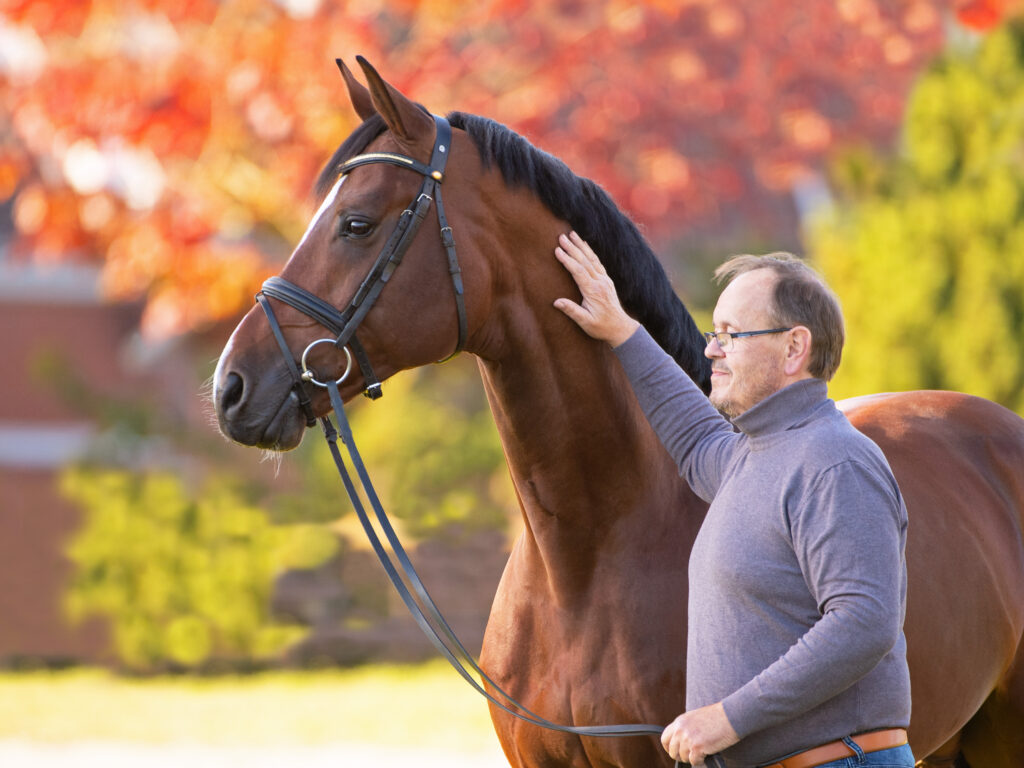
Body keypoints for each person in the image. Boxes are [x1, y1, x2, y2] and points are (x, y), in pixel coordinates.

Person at [552, 232, 914, 768]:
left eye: (731, 334)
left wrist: (727, 718)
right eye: (713, 332)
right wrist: (622, 330)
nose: (710, 349)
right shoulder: (753, 453)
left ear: (795, 347)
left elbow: (865, 622)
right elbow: (696, 436)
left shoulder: (836, 461)